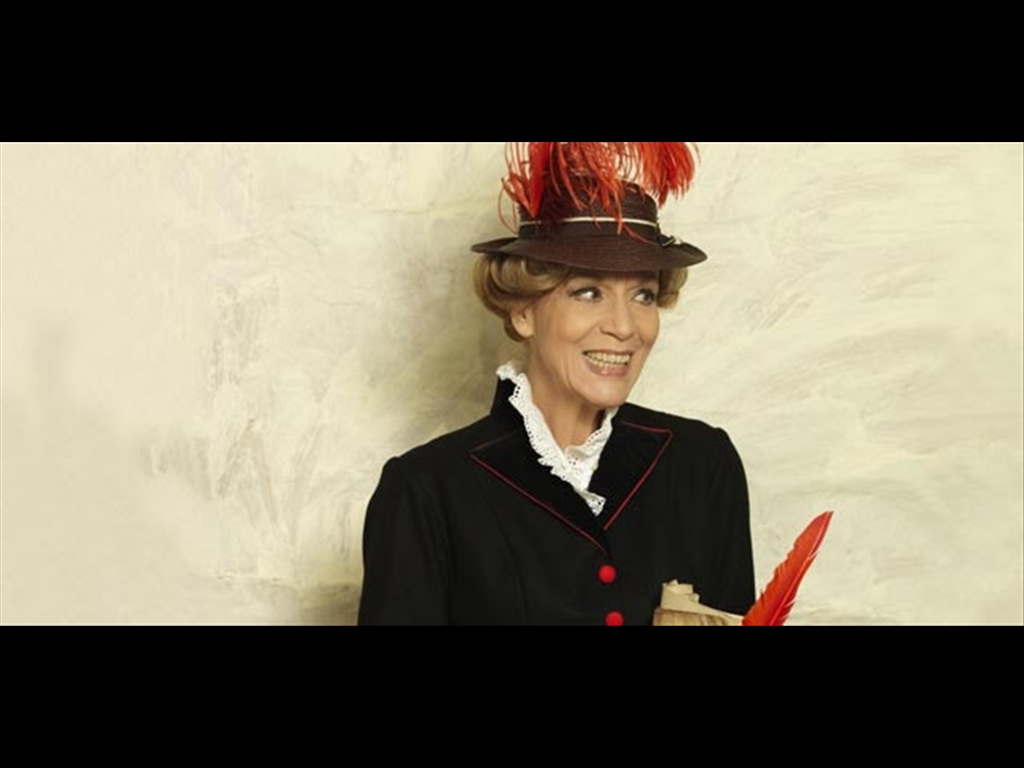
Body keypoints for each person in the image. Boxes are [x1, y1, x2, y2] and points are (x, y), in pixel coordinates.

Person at [357, 142, 755, 626]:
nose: (624, 327)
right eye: (588, 292)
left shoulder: (703, 464)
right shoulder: (426, 491)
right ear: (523, 311)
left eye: (643, 295)